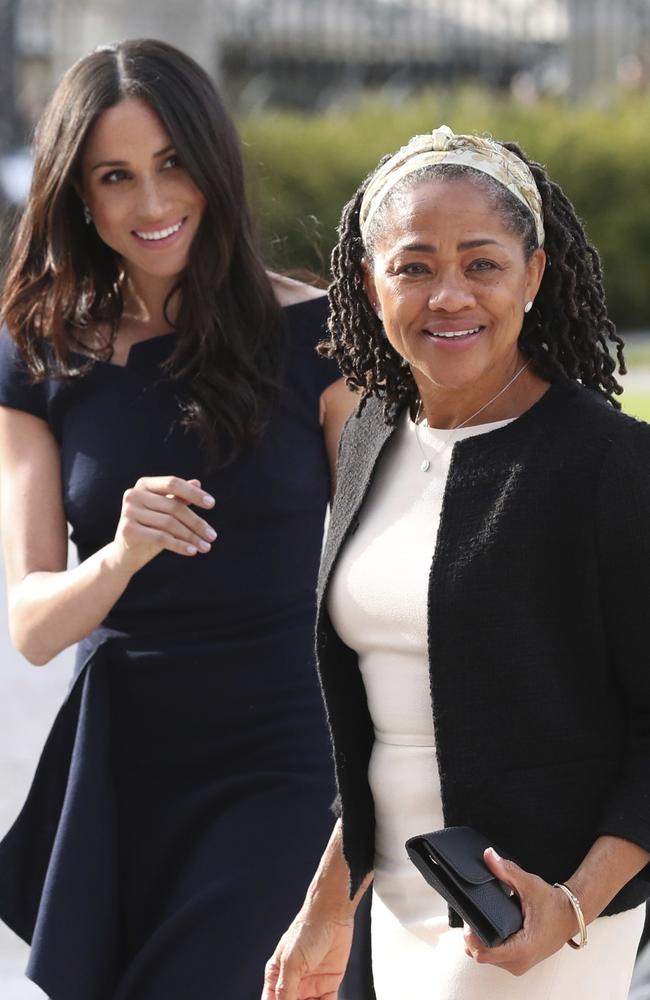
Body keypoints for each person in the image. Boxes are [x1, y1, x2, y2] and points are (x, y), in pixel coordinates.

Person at [0, 38, 360, 1000]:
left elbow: (391, 569)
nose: (152, 204)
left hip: (288, 757)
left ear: (214, 162)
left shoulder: (325, 337)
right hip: (125, 765)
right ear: (80, 195)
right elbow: (34, 626)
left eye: (171, 164)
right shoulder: (42, 357)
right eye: (116, 177)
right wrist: (119, 554)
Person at [263, 125, 650, 1000]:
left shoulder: (610, 466)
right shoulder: (367, 438)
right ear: (369, 281)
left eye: (482, 263)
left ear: (534, 275)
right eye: (414, 266)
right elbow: (386, 720)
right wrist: (329, 905)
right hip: (399, 901)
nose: (448, 295)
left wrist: (572, 905)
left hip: (532, 911)